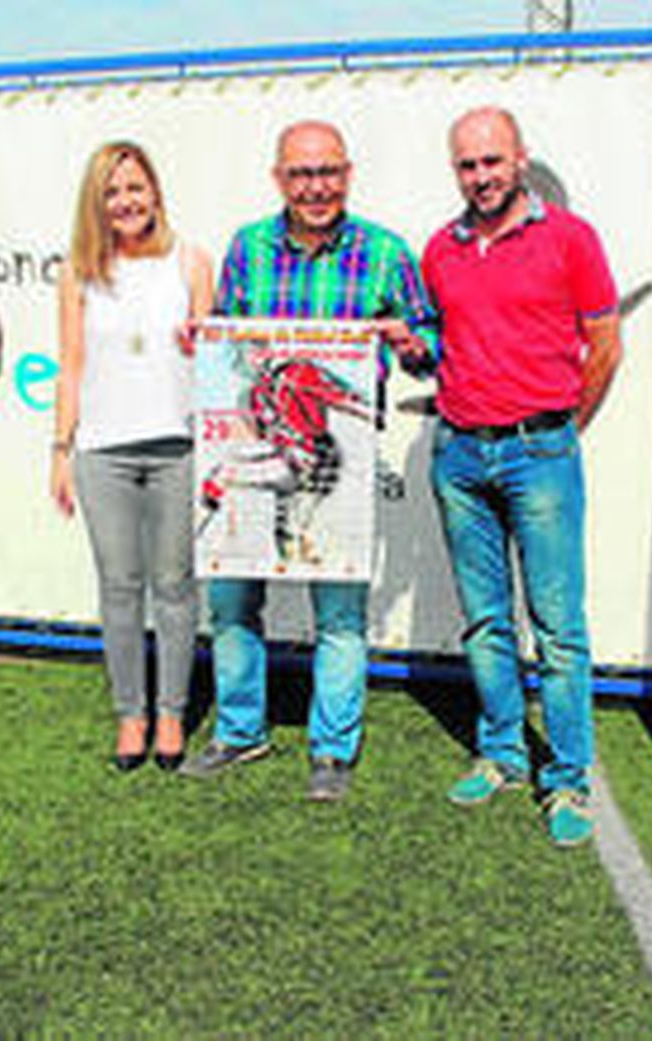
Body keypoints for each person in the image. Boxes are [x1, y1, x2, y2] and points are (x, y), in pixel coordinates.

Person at [179, 119, 436, 802]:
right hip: (255, 442)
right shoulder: (248, 248)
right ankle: (240, 729)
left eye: (327, 173)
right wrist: (200, 341)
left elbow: (428, 338)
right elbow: (226, 346)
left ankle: (332, 748)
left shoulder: (385, 253)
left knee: (342, 611)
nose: (315, 187)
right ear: (279, 179)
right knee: (232, 596)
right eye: (300, 174)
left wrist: (410, 344)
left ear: (347, 175)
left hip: (339, 463)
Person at [421, 106, 622, 848]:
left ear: (521, 160)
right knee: (485, 621)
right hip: (460, 456)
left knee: (560, 631)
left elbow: (605, 345)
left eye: (492, 162)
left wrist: (559, 428)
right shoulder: (439, 249)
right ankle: (502, 750)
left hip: (540, 454)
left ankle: (567, 777)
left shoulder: (571, 238)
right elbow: (441, 343)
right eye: (467, 165)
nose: (480, 177)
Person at [51, 141, 213, 772]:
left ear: (156, 192)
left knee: (174, 586)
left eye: (135, 188)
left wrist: (197, 342)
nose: (126, 202)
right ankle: (131, 714)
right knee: (120, 588)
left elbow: (213, 357)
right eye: (112, 192)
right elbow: (71, 368)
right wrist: (60, 449)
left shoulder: (192, 261)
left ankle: (171, 711)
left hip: (179, 446)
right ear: (97, 203)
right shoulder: (78, 272)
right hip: (102, 453)